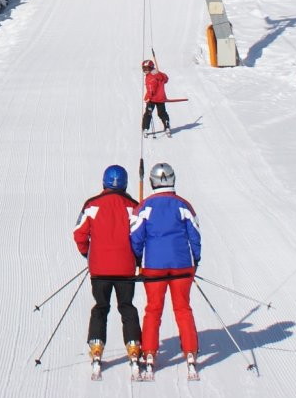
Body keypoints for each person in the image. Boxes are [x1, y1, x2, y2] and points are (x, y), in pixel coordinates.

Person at [130, 161, 201, 381]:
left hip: (154, 266)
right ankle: (190, 353)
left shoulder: (145, 206)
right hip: (182, 265)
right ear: (173, 179)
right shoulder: (183, 205)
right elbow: (195, 235)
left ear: (151, 182)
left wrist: (137, 258)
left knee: (153, 310)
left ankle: (149, 353)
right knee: (183, 309)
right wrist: (196, 259)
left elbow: (135, 237)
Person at [72, 164, 142, 376]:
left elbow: (79, 234)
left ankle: (96, 347)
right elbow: (140, 237)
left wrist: (88, 254)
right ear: (125, 183)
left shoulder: (92, 205)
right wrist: (137, 259)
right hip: (126, 268)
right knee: (127, 307)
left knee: (101, 307)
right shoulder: (133, 206)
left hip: (99, 268)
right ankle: (133, 346)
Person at [141, 58, 171, 136]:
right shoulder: (157, 74)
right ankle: (167, 126)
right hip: (161, 98)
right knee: (162, 113)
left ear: (151, 68)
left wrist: (148, 97)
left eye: (147, 68)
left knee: (148, 113)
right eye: (144, 68)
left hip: (152, 98)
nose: (145, 70)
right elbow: (165, 79)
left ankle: (145, 128)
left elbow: (151, 89)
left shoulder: (150, 77)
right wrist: (159, 73)